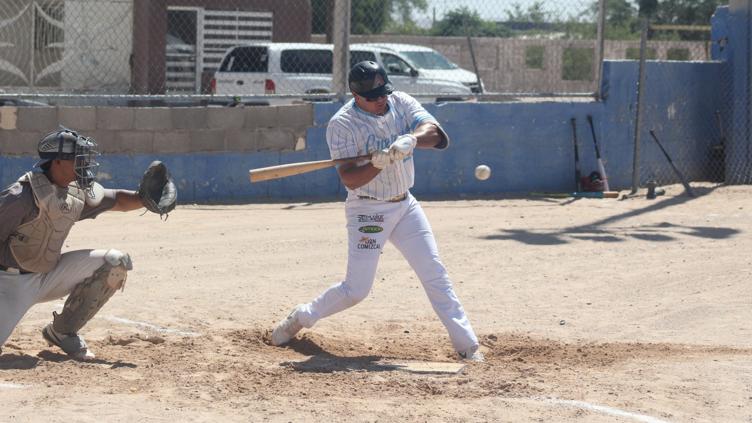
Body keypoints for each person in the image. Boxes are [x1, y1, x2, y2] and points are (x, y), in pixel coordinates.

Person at [270, 61, 483, 361]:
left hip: (406, 205)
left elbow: (434, 133)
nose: (381, 99)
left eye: (383, 93)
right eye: (373, 97)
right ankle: (302, 316)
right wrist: (377, 164)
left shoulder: (400, 102)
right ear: (356, 96)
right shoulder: (342, 124)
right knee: (356, 290)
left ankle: (468, 346)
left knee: (435, 274)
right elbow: (350, 178)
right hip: (367, 209)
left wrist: (412, 139)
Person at [0, 128, 174, 361]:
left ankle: (62, 331)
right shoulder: (20, 197)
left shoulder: (75, 193)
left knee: (115, 262)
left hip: (48, 275)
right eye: (78, 158)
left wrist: (145, 200)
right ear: (57, 161)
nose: (85, 163)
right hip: (9, 284)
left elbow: (116, 200)